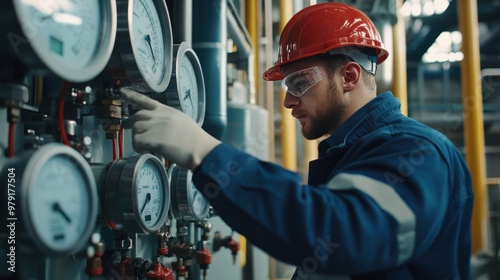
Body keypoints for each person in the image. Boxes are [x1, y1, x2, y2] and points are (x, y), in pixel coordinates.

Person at [120, 2, 473, 279]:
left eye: (299, 83)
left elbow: (337, 233)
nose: (288, 101)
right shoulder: (354, 154)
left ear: (349, 76)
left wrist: (206, 152)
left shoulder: (417, 151)